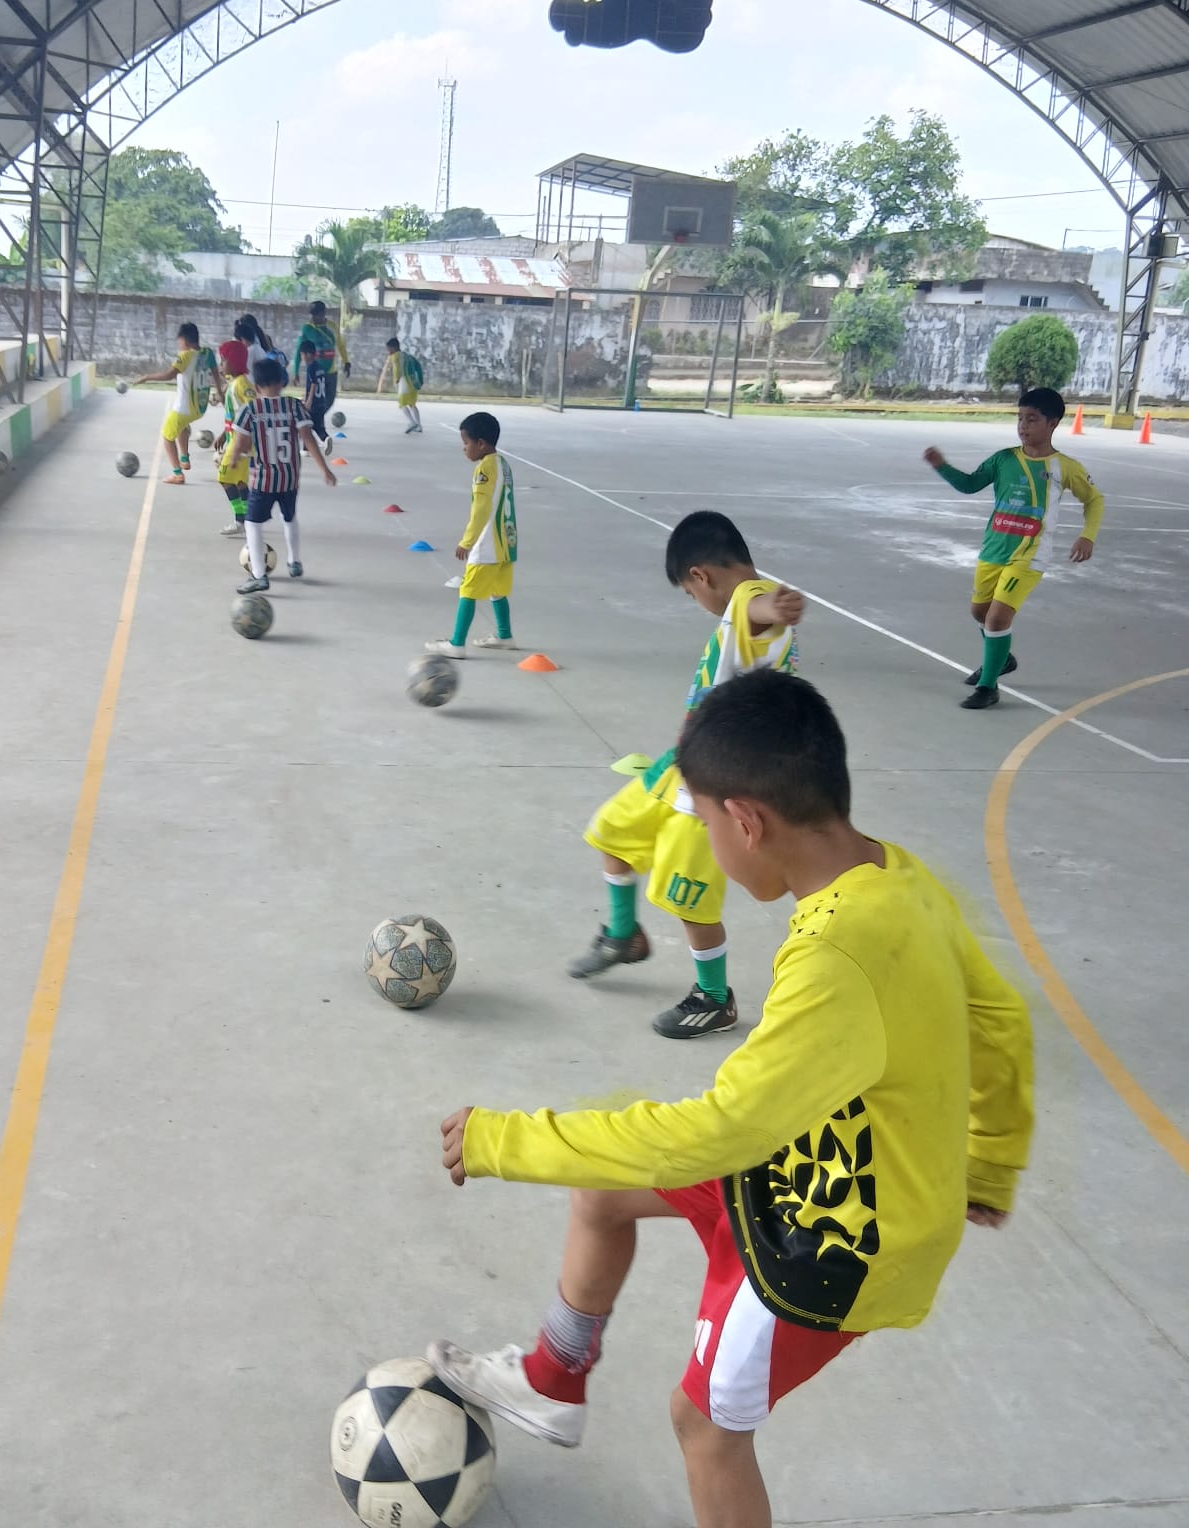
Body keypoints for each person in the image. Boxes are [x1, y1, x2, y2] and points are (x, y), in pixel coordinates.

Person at [429, 669, 1034, 1528]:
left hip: (838, 1236)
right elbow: (1001, 1019)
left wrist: (507, 1141)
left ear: (746, 821)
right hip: (807, 1161)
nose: (707, 842)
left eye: (703, 822)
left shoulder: (836, 954)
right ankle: (552, 1382)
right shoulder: (896, 875)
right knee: (603, 1189)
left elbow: (722, 1131)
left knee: (706, 1428)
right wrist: (991, 1161)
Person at [569, 511, 802, 1039]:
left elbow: (758, 609)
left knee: (688, 899)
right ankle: (623, 935)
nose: (697, 601)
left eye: (691, 592)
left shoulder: (747, 598)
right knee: (612, 831)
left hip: (718, 785)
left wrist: (775, 607)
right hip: (681, 764)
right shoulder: (742, 604)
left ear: (702, 575)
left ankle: (714, 999)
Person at [924, 387, 1104, 711]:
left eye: (1031, 419)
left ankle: (988, 686)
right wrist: (941, 466)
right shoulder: (1003, 459)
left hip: (1029, 554)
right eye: (1020, 418)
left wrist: (1087, 536)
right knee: (979, 613)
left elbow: (1094, 499)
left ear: (1052, 423)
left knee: (996, 618)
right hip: (994, 548)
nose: (1023, 425)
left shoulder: (1064, 467)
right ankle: (1002, 659)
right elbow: (969, 485)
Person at [226, 357, 337, 592]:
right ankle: (294, 561)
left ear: (257, 386)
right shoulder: (294, 407)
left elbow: (240, 442)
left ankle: (258, 575)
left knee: (252, 523)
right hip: (289, 478)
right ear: (282, 382)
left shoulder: (250, 410)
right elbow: (308, 439)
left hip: (263, 480)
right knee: (289, 517)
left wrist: (234, 458)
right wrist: (325, 470)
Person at [426, 412, 518, 660]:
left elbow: (481, 508)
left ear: (481, 443)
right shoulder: (503, 464)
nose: (464, 448)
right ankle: (504, 636)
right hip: (507, 541)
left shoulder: (484, 469)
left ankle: (456, 644)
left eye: (466, 443)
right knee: (497, 590)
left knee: (468, 590)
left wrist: (467, 541)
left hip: (488, 542)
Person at [134, 323, 218, 485]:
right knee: (182, 426)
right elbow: (215, 374)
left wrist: (146, 377)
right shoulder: (207, 353)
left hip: (184, 408)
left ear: (184, 340)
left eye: (179, 341)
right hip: (200, 407)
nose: (178, 344)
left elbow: (169, 375)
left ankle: (177, 474)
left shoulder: (185, 356)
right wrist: (220, 393)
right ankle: (184, 459)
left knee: (167, 436)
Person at [292, 300, 350, 453]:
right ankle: (312, 434)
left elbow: (340, 345)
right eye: (312, 315)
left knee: (327, 402)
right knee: (315, 407)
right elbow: (299, 349)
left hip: (330, 371)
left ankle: (312, 429)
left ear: (323, 314)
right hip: (315, 370)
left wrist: (346, 361)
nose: (313, 318)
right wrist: (295, 370)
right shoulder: (307, 328)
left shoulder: (332, 327)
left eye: (316, 315)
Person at [216, 339, 257, 539]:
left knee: (224, 478)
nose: (221, 364)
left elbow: (254, 408)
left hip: (240, 443)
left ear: (233, 362)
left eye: (224, 360)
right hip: (234, 439)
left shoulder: (242, 384)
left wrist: (247, 439)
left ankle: (241, 520)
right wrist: (224, 434)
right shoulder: (234, 382)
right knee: (240, 481)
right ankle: (249, 520)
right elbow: (234, 415)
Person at [377, 337, 425, 434]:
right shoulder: (407, 356)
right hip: (413, 382)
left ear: (393, 348)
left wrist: (396, 379)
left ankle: (412, 422)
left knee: (402, 404)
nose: (388, 351)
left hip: (404, 381)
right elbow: (418, 366)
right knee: (412, 404)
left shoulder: (395, 356)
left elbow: (396, 368)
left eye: (389, 348)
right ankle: (419, 425)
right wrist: (420, 380)